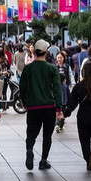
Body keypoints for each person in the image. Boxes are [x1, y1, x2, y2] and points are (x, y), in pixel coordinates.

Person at [18, 40, 63, 171]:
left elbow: (23, 88)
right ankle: (43, 160)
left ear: (35, 51)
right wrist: (59, 108)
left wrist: (25, 102)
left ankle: (29, 149)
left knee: (31, 132)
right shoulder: (52, 68)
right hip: (49, 107)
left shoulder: (28, 68)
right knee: (47, 135)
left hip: (33, 107)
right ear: (46, 52)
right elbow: (57, 89)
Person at [64, 63, 91, 171]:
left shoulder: (79, 86)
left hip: (82, 116)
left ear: (84, 72)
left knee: (84, 140)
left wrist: (65, 114)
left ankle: (88, 160)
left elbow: (72, 103)